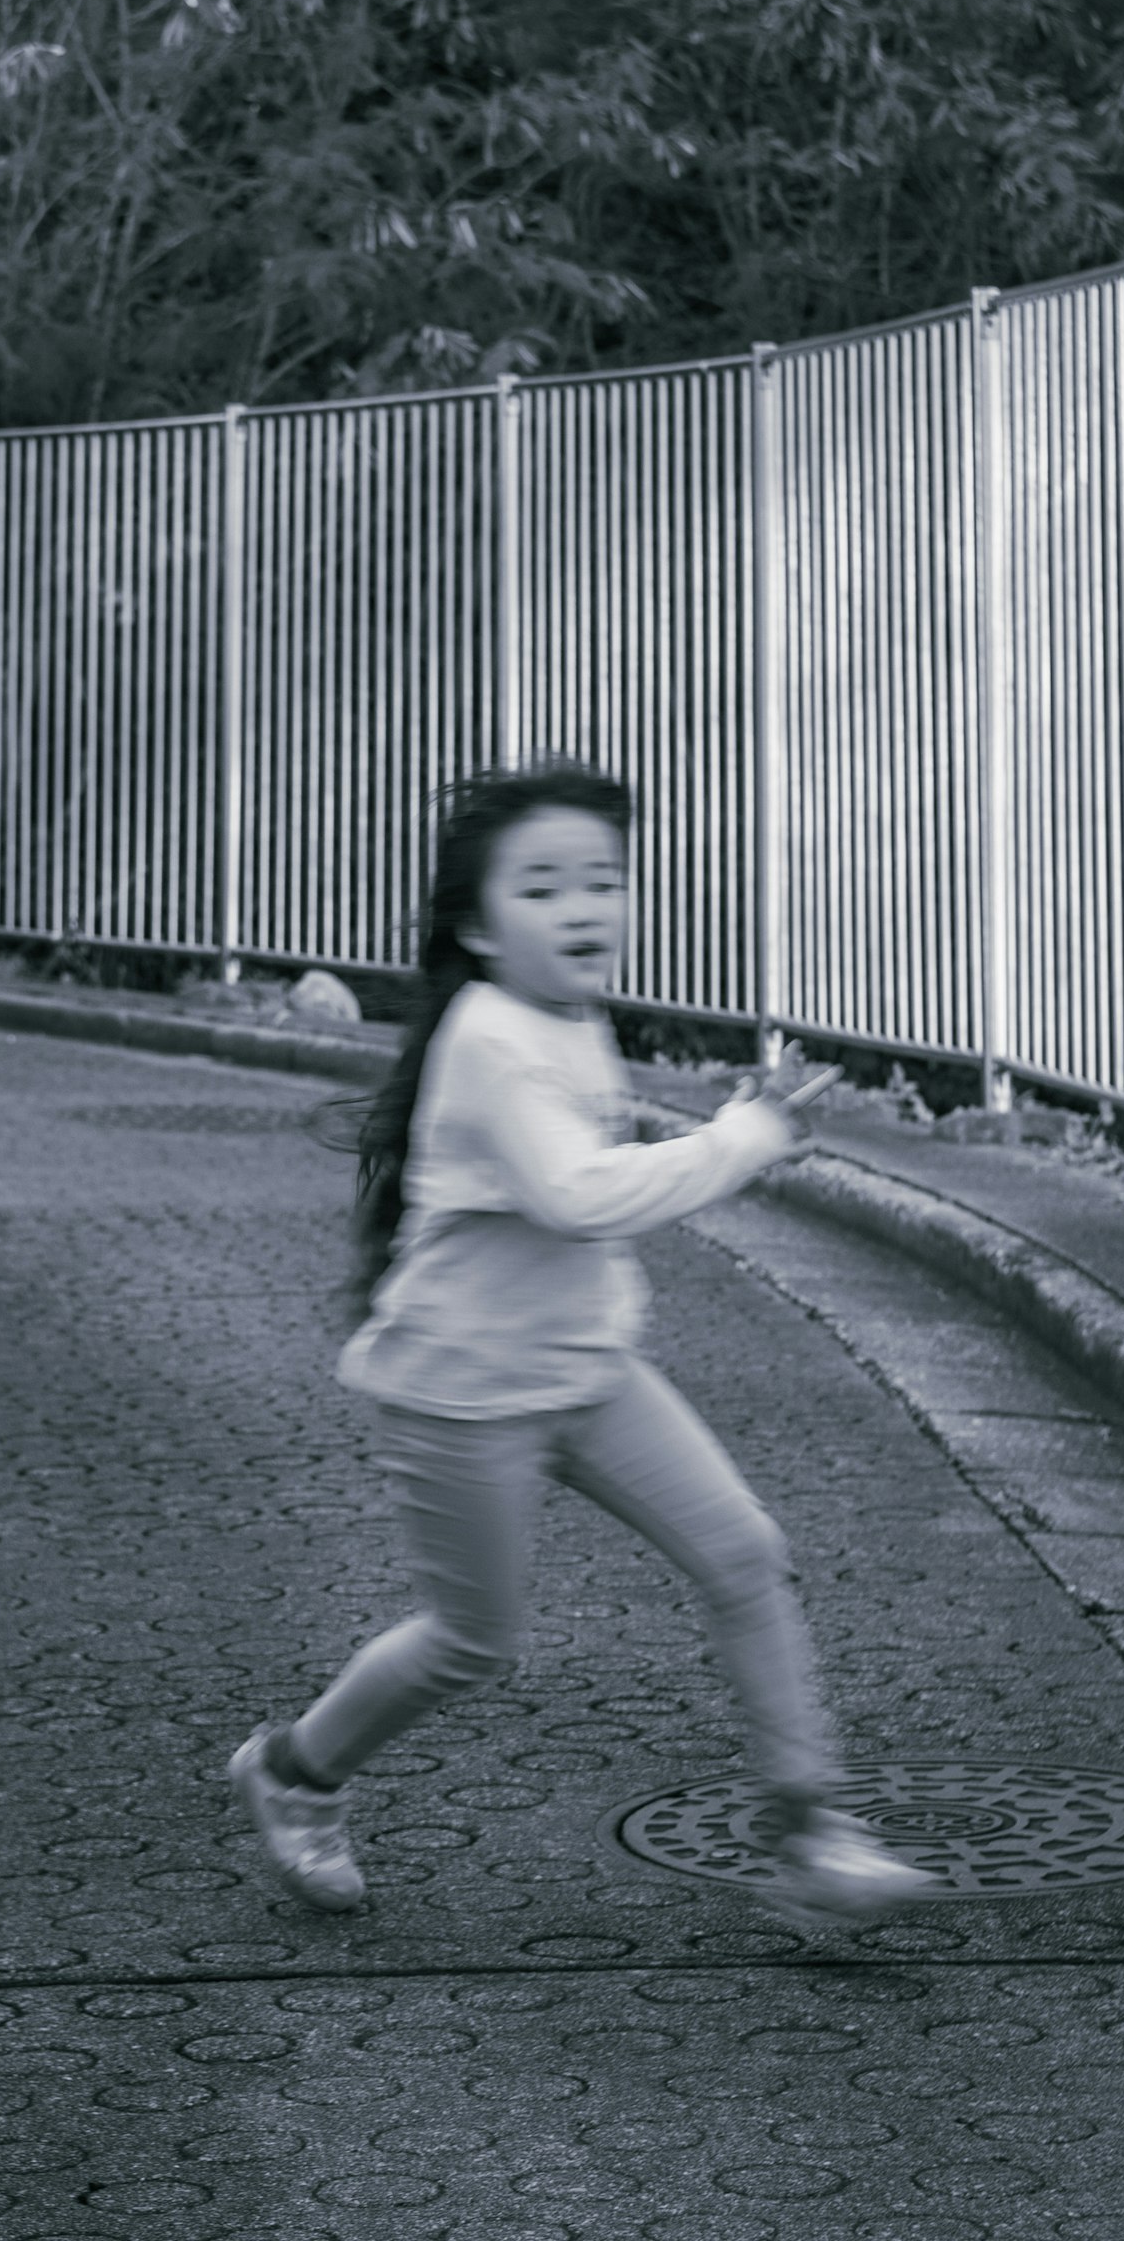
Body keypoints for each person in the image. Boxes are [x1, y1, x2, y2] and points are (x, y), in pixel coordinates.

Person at [229, 760, 926, 1925]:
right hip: (461, 1393)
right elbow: (576, 1194)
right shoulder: (493, 1037)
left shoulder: (568, 1017)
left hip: (587, 1373)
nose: (583, 908)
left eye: (602, 881)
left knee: (744, 1553)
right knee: (471, 1641)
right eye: (543, 887)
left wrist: (739, 1128)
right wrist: (745, 1136)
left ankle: (811, 1831)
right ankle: (293, 1773)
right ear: (477, 925)